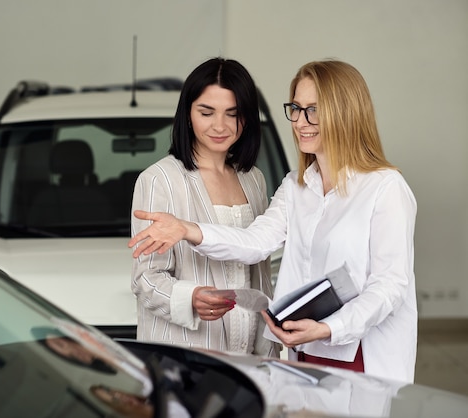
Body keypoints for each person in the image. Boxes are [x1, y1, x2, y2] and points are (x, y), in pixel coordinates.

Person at [128, 59, 418, 383]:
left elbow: (390, 286)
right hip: (302, 350)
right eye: (296, 108)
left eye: (314, 110)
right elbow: (255, 242)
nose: (301, 122)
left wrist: (328, 328)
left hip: (359, 353)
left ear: (346, 113)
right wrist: (187, 229)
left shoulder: (385, 188)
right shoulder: (296, 186)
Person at [130, 57, 278, 357]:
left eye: (232, 114)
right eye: (206, 112)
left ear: (246, 118)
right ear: (187, 114)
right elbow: (145, 278)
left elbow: (260, 268)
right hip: (188, 357)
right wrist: (191, 297)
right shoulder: (160, 180)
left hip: (253, 355)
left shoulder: (254, 180)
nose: (220, 126)